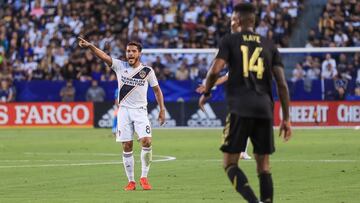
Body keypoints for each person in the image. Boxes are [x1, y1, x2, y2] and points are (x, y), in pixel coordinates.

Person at [198, 3, 292, 203]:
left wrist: (207, 91)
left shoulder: (230, 41)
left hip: (240, 107)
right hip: (265, 109)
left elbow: (214, 71)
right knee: (264, 166)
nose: (232, 22)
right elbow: (282, 85)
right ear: (254, 21)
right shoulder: (269, 44)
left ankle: (253, 201)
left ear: (238, 20)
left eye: (233, 19)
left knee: (230, 164)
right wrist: (286, 118)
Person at [78, 37, 165, 191]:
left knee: (146, 141)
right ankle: (131, 181)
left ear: (139, 53)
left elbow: (157, 91)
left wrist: (162, 110)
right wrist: (91, 45)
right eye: (128, 51)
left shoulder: (147, 71)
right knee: (127, 145)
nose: (130, 54)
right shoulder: (119, 66)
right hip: (124, 111)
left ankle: (144, 177)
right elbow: (103, 56)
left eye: (133, 51)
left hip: (140, 111)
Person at [196, 73, 252, 160]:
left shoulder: (238, 63)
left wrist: (207, 87)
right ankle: (241, 151)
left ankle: (237, 150)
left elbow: (223, 78)